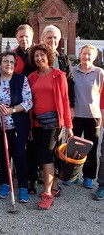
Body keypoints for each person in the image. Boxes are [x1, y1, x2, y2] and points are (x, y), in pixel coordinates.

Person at [27, 44, 73, 210]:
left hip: (53, 123)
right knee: (43, 156)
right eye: (36, 56)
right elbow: (29, 102)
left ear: (48, 57)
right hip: (37, 122)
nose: (39, 58)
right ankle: (54, 187)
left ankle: (47, 194)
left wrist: (69, 126)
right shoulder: (32, 77)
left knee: (46, 156)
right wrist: (31, 126)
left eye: (42, 55)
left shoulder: (58, 75)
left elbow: (65, 101)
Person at [0, 51, 32, 203]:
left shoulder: (21, 79)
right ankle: (5, 182)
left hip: (18, 125)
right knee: (2, 154)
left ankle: (22, 186)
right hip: (0, 126)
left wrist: (12, 110)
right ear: (0, 64)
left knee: (20, 154)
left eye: (11, 62)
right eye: (5, 61)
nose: (8, 64)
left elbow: (28, 101)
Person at [71, 45, 104, 189]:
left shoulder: (99, 73)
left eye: (90, 55)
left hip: (93, 116)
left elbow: (102, 95)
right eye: (84, 54)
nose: (86, 57)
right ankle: (72, 175)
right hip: (76, 115)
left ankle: (88, 177)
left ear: (95, 57)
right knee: (74, 148)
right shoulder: (73, 71)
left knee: (91, 148)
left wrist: (101, 118)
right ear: (80, 54)